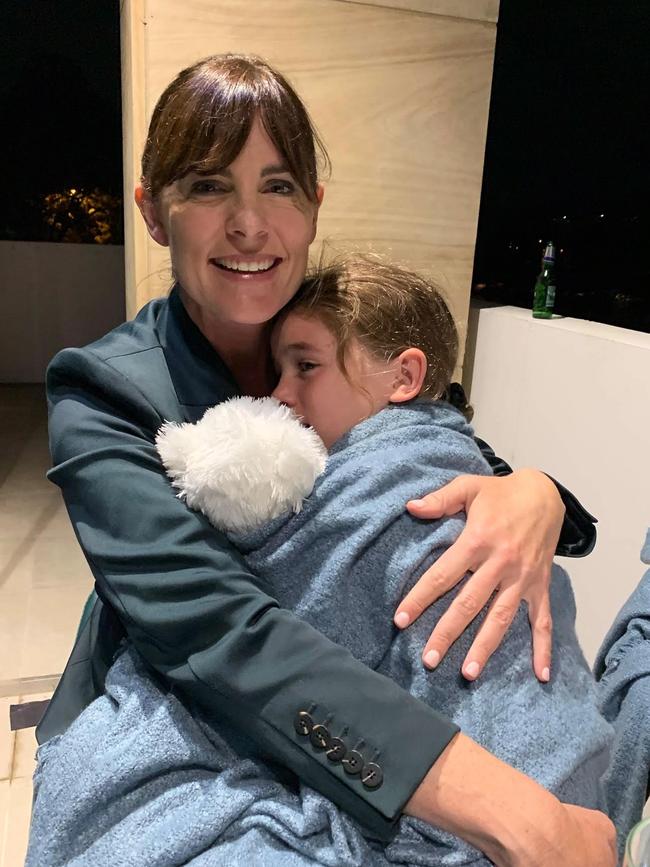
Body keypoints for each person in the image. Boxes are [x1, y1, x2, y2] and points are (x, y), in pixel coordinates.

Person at [34, 54, 612, 865]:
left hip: (358, 688)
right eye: (207, 186)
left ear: (313, 209)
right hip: (186, 689)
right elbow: (220, 631)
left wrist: (537, 492)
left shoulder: (330, 333)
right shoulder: (104, 391)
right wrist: (512, 810)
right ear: (154, 213)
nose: (249, 225)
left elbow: (432, 449)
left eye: (279, 187)